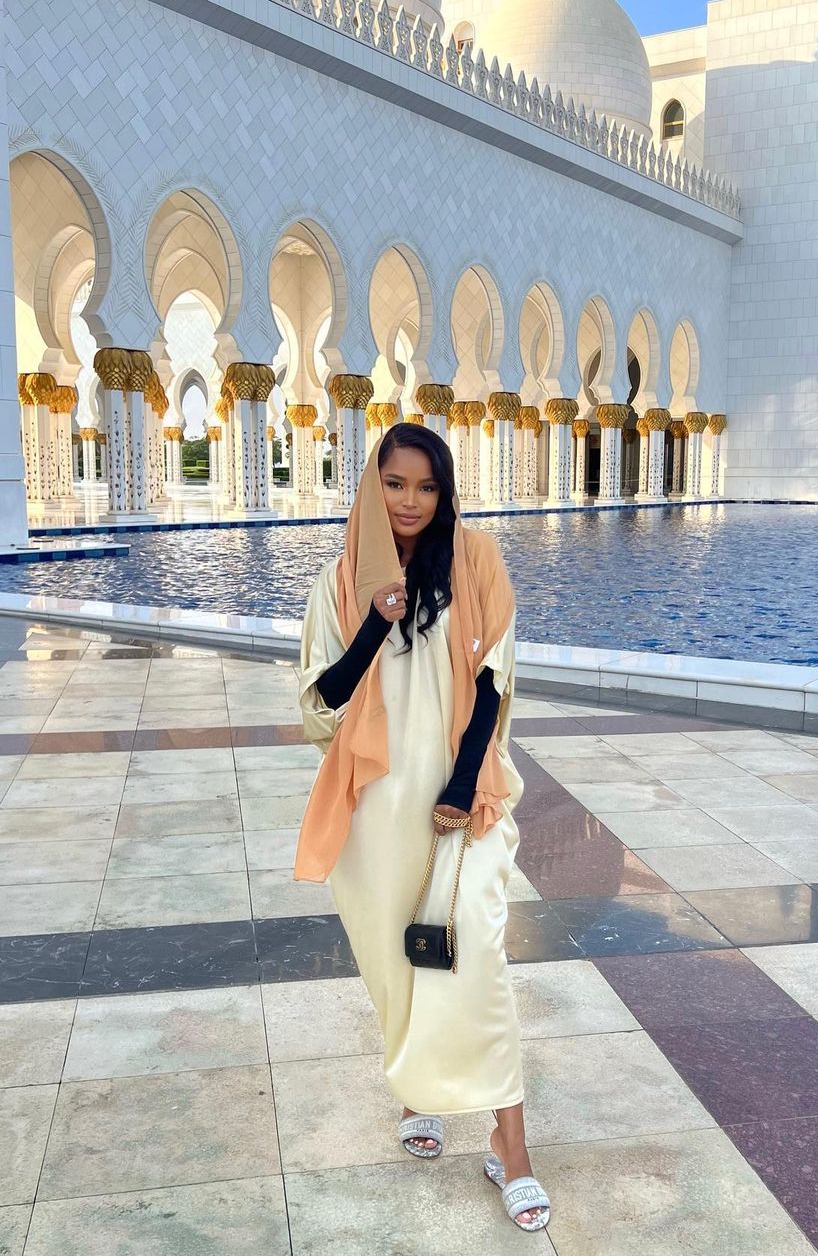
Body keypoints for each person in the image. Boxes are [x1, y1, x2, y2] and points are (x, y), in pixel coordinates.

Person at [293, 422, 550, 1233]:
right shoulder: (340, 580)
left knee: (479, 960)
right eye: (395, 483)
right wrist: (375, 620)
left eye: (427, 485)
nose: (410, 501)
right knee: (400, 962)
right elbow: (323, 702)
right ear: (373, 487)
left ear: (445, 492)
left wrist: (464, 782)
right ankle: (416, 1091)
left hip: (460, 797)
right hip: (377, 807)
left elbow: (493, 680)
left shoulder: (476, 561)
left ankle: (512, 1147)